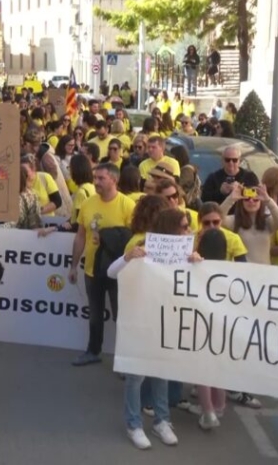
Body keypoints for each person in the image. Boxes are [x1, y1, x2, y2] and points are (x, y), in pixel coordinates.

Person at [107, 202, 189, 448]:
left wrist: (197, 262)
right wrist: (127, 257)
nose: (188, 231)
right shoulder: (142, 248)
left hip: (166, 321)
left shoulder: (185, 253)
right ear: (170, 229)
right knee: (136, 376)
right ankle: (134, 424)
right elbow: (112, 273)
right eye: (184, 227)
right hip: (140, 322)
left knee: (161, 372)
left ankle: (162, 421)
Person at [69, 163, 136, 366]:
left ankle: (126, 359)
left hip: (119, 272)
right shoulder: (88, 204)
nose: (96, 182)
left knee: (121, 318)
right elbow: (81, 236)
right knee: (95, 315)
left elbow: (135, 238)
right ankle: (93, 351)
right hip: (92, 269)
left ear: (113, 180)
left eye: (101, 178)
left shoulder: (127, 205)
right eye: (95, 178)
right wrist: (73, 265)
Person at [220, 184, 278, 265]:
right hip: (242, 270)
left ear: (261, 202)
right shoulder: (234, 221)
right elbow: (218, 218)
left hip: (264, 270)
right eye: (247, 199)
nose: (251, 201)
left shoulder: (267, 221)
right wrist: (231, 199)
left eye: (255, 199)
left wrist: (268, 200)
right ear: (241, 202)